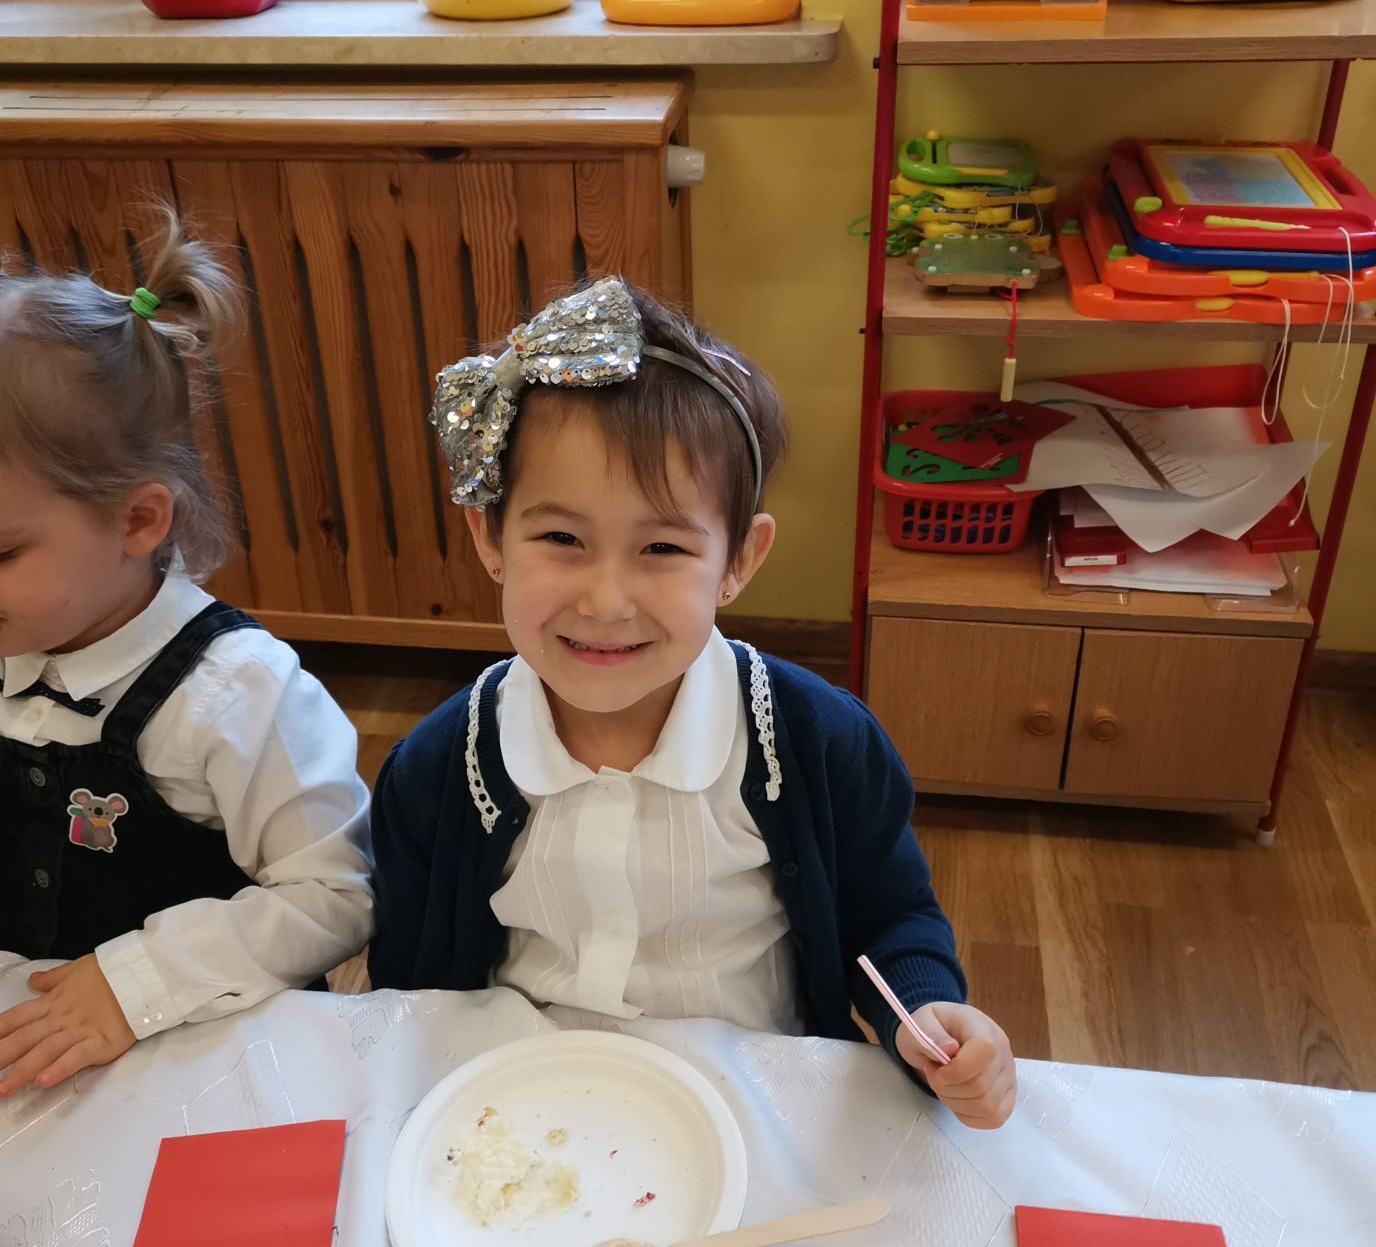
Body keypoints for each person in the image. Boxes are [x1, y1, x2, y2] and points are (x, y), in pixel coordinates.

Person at [369, 278, 1016, 1128]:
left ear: (738, 560)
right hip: (522, 1111)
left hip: (752, 1103)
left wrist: (926, 1015)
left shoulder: (817, 744)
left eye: (663, 548)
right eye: (562, 538)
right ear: (490, 537)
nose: (606, 601)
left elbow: (889, 915)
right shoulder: (437, 768)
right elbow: (408, 981)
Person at [0, 219, 372, 1097]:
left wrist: (137, 982)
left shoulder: (240, 693)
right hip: (11, 1019)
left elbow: (335, 894)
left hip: (196, 1031)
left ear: (138, 520)